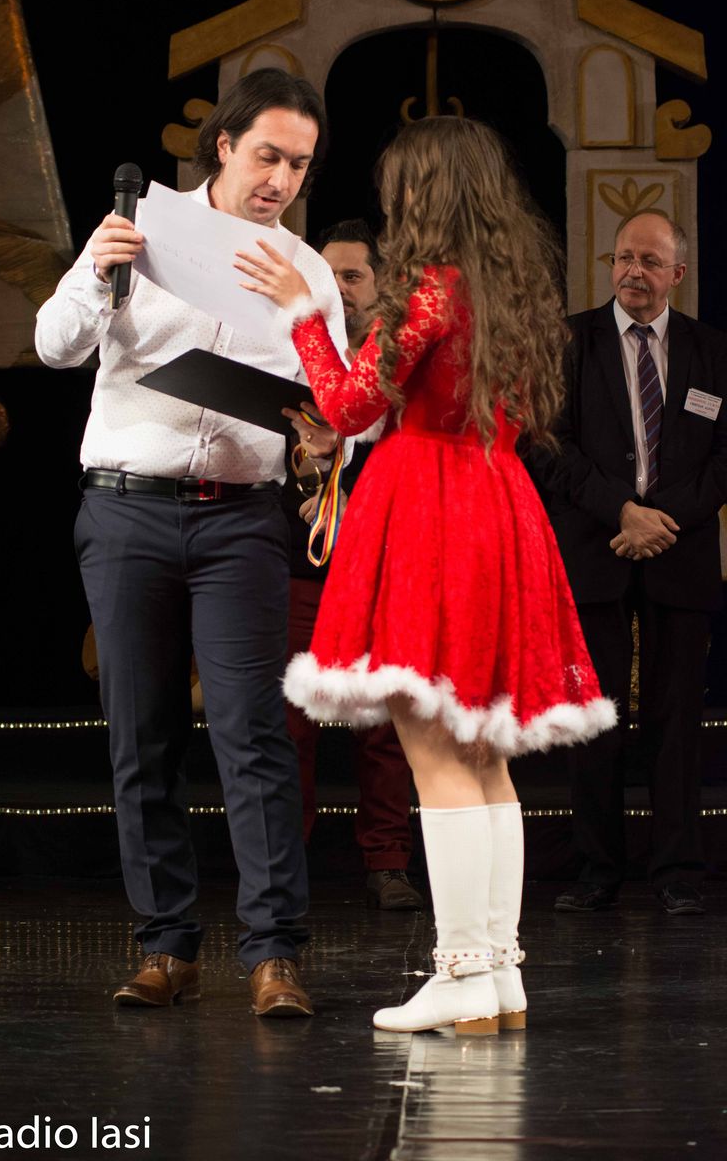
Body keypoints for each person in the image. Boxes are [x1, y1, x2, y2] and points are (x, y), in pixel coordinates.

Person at [235, 116, 616, 1034]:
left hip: (432, 513)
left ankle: (461, 975)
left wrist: (302, 313)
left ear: (429, 191)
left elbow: (346, 403)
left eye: (403, 185)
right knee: (483, 758)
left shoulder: (435, 288)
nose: (394, 201)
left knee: (438, 752)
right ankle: (498, 975)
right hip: (495, 503)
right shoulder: (508, 287)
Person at [35, 68, 348, 1017]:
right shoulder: (139, 229)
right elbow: (54, 345)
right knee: (143, 735)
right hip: (128, 509)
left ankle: (274, 954)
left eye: (299, 165)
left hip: (241, 518)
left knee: (254, 735)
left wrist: (325, 428)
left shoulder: (309, 271)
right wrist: (98, 273)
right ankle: (165, 947)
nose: (281, 180)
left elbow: (344, 410)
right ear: (224, 146)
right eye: (267, 157)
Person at [527, 209, 727, 916]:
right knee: (595, 718)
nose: (633, 272)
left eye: (649, 261)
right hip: (597, 549)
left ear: (678, 274)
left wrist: (662, 521)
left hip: (680, 552)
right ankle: (597, 869)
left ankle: (677, 872)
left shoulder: (712, 351)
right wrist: (622, 512)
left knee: (677, 722)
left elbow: (722, 457)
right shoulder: (567, 343)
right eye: (623, 259)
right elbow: (546, 443)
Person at [284, 219, 422, 910]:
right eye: (327, 275)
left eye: (353, 276)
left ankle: (388, 861)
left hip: (383, 569)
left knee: (385, 727)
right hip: (297, 568)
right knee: (289, 726)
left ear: (382, 283)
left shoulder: (401, 360)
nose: (338, 289)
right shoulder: (287, 353)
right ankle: (285, 866)